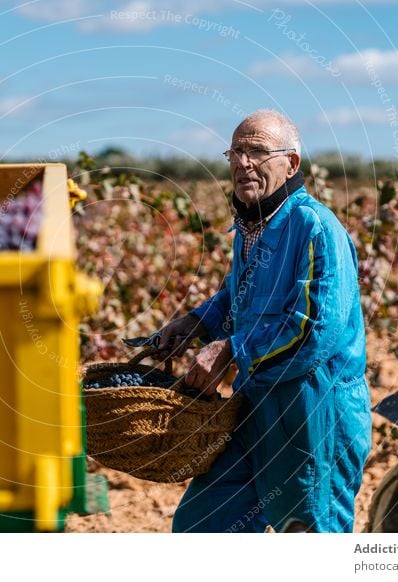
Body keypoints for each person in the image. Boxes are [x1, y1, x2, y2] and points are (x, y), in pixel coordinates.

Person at [158, 110, 372, 533]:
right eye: (235, 151)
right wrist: (198, 322)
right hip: (253, 406)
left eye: (256, 151)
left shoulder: (315, 228)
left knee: (308, 534)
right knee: (203, 525)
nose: (242, 163)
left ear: (291, 163)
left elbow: (312, 332)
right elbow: (239, 295)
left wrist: (233, 350)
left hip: (312, 416)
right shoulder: (251, 226)